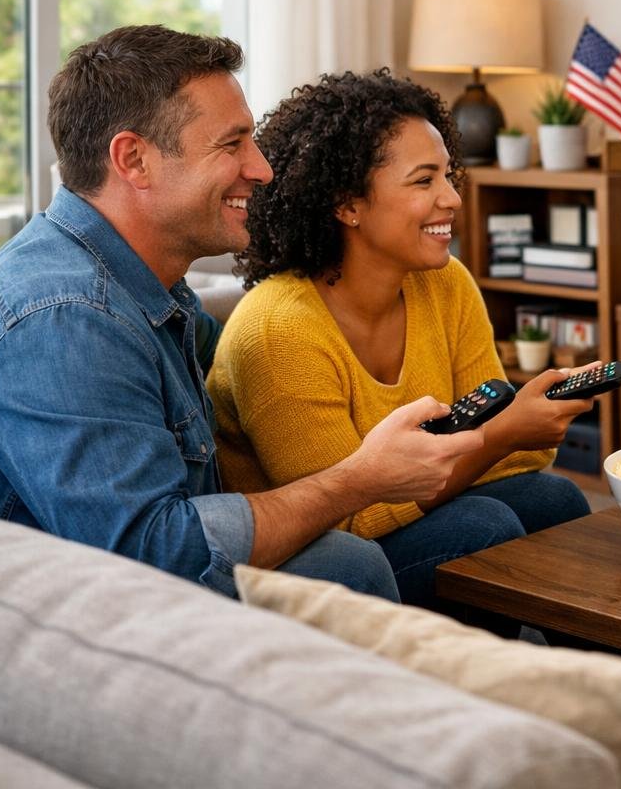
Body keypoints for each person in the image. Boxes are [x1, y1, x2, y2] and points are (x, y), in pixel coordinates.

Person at [0, 26, 486, 602]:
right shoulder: (66, 317)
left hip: (114, 572)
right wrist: (361, 478)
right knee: (347, 565)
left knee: (507, 513)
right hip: (17, 611)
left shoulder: (148, 284)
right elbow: (154, 553)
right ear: (133, 159)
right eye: (231, 144)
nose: (262, 168)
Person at [208, 70, 593, 607]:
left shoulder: (445, 283)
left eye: (448, 176)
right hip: (314, 553)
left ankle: (602, 683)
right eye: (424, 181)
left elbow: (519, 464)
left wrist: (515, 430)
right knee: (482, 527)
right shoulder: (278, 329)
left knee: (553, 499)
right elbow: (346, 515)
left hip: (398, 512)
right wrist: (503, 432)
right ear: (348, 205)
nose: (453, 198)